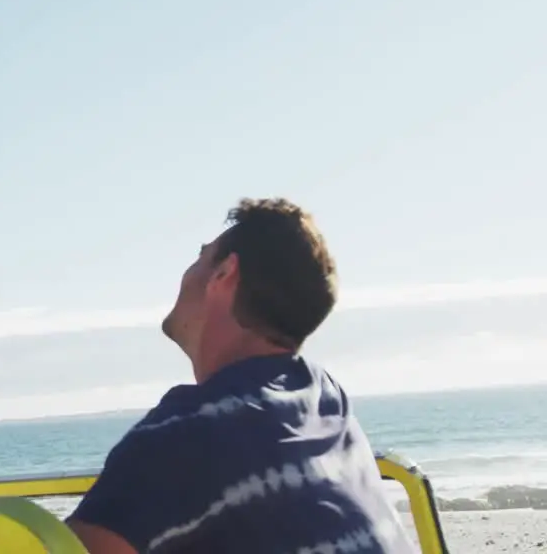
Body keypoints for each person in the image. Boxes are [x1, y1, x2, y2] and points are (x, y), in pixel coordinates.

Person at [67, 198, 413, 554]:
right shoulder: (325, 398)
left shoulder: (188, 431)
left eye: (202, 256)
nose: (186, 272)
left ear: (223, 273)